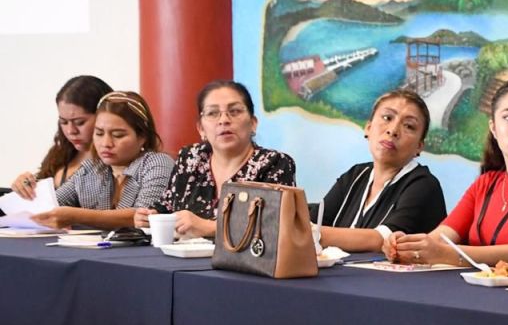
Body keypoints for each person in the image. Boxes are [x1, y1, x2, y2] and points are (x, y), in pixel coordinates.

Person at [385, 78, 508, 269]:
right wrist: (405, 245)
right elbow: (440, 239)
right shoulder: (486, 182)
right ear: (494, 128)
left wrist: (444, 254)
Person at [134, 80, 296, 238]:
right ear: (201, 129)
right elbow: (166, 206)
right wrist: (150, 216)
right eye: (212, 113)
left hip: (246, 256)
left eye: (235, 111)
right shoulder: (190, 158)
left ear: (253, 123)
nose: (224, 120)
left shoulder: (275, 163)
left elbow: (276, 226)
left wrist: (209, 227)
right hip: (184, 254)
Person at [318, 89, 445, 252]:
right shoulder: (355, 175)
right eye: (387, 118)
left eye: (409, 126)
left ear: (419, 147)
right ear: (368, 128)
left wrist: (311, 233)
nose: (393, 130)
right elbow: (318, 219)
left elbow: (383, 240)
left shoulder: (424, 185)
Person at [31, 91, 173, 231]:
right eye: (99, 133)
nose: (106, 143)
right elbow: (48, 207)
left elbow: (143, 216)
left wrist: (76, 216)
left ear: (142, 137)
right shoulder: (90, 169)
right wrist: (27, 188)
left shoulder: (157, 163)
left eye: (118, 135)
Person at [10, 75, 113, 200]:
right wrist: (26, 185)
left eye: (80, 122)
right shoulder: (60, 153)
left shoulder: (116, 158)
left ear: (104, 116)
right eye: (63, 122)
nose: (71, 131)